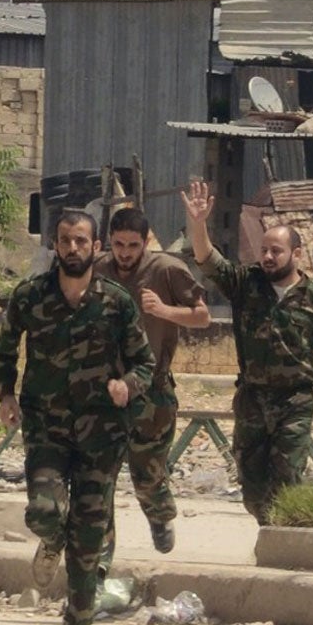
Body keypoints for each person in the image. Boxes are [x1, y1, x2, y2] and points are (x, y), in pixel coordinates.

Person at [0, 208, 155, 625]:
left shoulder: (116, 302)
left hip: (102, 432)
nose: (74, 248)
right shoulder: (29, 296)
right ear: (55, 245)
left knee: (90, 528)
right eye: (66, 240)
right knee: (43, 510)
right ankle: (51, 539)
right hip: (46, 426)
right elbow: (5, 348)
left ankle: (77, 622)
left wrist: (127, 384)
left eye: (82, 241)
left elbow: (145, 363)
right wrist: (6, 394)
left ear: (95, 247)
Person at [183, 178, 313, 523]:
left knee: (287, 476)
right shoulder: (246, 284)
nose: (267, 257)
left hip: (294, 400)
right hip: (252, 398)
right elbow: (206, 259)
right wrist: (199, 222)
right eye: (263, 250)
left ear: (296, 254)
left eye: (275, 251)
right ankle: (268, 524)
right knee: (252, 485)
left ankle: (283, 536)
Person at [99, 206, 209, 553]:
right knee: (98, 478)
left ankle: (159, 516)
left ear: (145, 241)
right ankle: (99, 552)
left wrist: (163, 311)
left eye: (133, 245)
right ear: (109, 242)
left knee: (147, 475)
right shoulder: (97, 269)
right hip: (105, 390)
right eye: (119, 244)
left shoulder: (166, 269)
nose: (126, 253)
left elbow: (203, 316)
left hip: (151, 390)